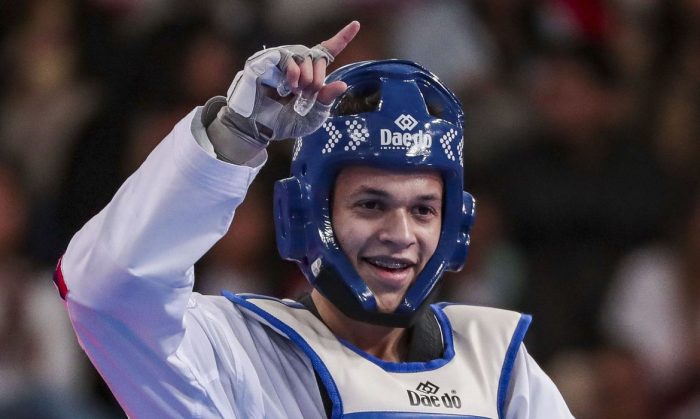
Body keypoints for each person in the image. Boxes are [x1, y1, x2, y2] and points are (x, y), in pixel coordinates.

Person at [54, 21, 572, 418]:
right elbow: (107, 292)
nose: (400, 235)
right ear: (303, 215)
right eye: (370, 205)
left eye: (423, 210)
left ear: (454, 224)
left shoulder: (499, 368)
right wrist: (237, 135)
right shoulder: (236, 354)